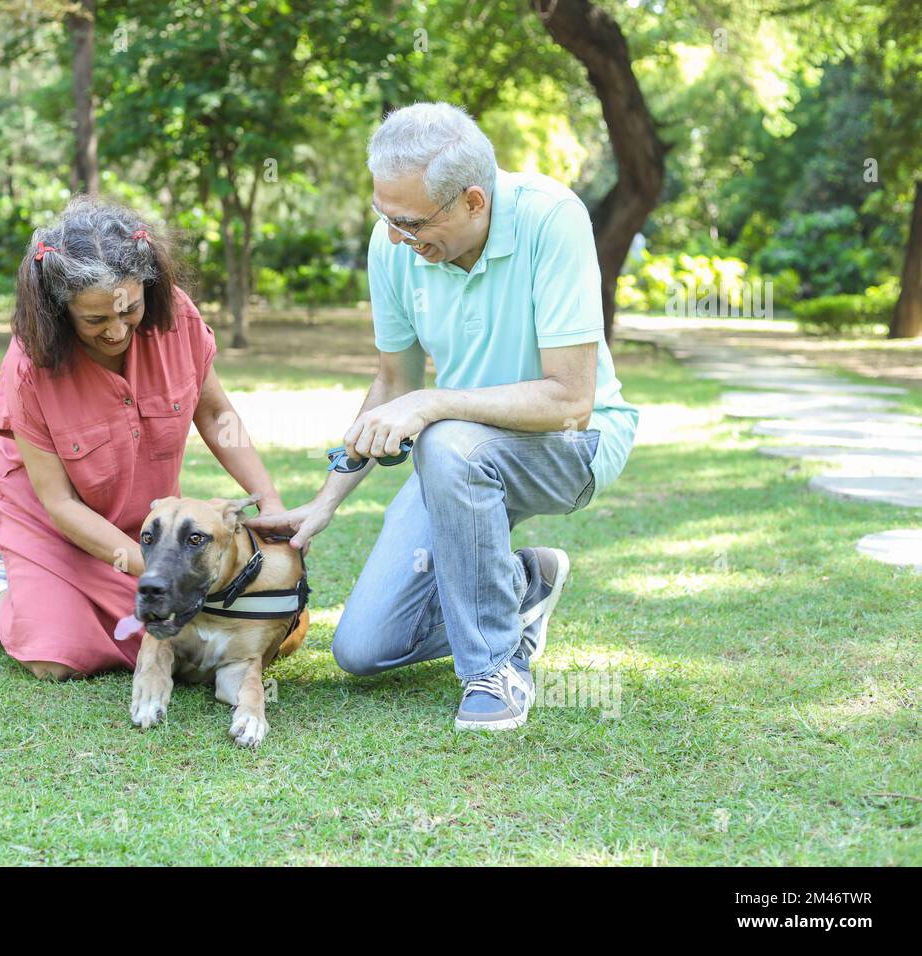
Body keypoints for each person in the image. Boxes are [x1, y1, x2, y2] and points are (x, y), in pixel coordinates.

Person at [247, 102, 640, 732]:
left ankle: (495, 666)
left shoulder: (552, 219)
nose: (396, 236)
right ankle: (520, 583)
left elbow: (570, 400)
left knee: (449, 440)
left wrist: (432, 405)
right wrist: (325, 503)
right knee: (363, 649)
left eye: (409, 221)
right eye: (385, 215)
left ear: (473, 202)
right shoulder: (394, 245)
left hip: (572, 446)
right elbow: (394, 383)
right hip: (458, 460)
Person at [0, 197, 286, 681]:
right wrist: (153, 570)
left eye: (129, 310)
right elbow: (60, 504)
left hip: (142, 529)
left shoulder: (178, 319)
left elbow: (214, 414)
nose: (116, 331)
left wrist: (270, 503)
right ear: (59, 310)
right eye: (94, 320)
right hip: (51, 524)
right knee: (57, 657)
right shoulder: (29, 368)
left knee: (178, 639)